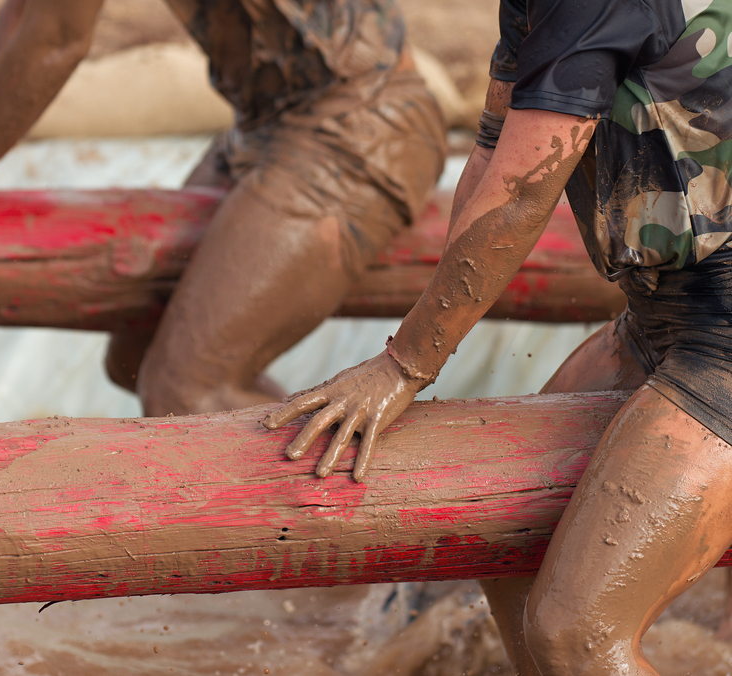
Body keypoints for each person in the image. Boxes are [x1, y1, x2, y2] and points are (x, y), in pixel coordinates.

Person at [264, 0, 732, 673]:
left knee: (576, 634)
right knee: (513, 562)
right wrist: (421, 345)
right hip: (661, 321)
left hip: (721, 340)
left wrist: (404, 367)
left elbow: (521, 195)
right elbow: (492, 155)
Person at [0, 0, 445, 418]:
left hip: (360, 122)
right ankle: (306, 535)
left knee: (186, 388)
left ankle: (376, 564)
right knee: (135, 357)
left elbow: (57, 40)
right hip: (268, 125)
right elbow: (29, 13)